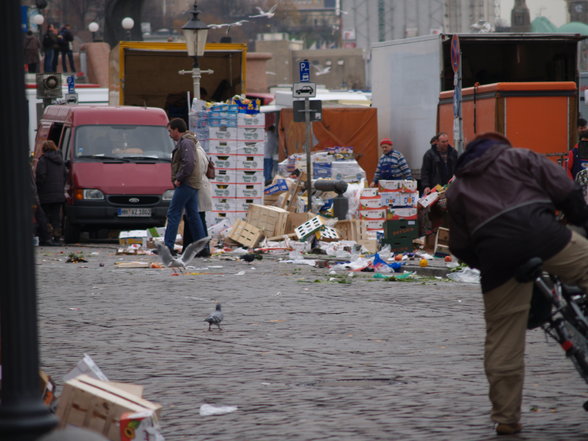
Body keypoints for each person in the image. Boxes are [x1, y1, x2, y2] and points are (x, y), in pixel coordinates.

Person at [445, 132, 588, 435]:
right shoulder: (520, 156)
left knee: (503, 336)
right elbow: (566, 190)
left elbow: (459, 245)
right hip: (542, 232)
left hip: (496, 253)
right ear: (499, 147)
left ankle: (506, 418)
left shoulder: (457, 190)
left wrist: (489, 263)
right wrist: (581, 221)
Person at [164, 118, 206, 254]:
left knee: (173, 213)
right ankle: (202, 247)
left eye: (170, 131)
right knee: (193, 214)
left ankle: (168, 247)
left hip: (186, 183)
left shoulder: (186, 142)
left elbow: (188, 163)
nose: (170, 134)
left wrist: (179, 178)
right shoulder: (188, 141)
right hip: (192, 182)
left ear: (177, 130)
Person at [181, 135, 213, 257]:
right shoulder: (199, 150)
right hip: (199, 188)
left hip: (198, 188)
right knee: (193, 218)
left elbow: (196, 171)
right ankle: (191, 247)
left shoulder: (197, 152)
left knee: (197, 217)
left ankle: (202, 248)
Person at [36, 140, 66, 244]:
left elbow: (41, 176)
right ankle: (57, 236)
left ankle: (47, 237)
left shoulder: (43, 160)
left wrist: (38, 187)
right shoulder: (60, 160)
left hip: (45, 193)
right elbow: (65, 175)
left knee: (45, 216)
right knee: (56, 216)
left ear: (44, 149)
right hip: (58, 194)